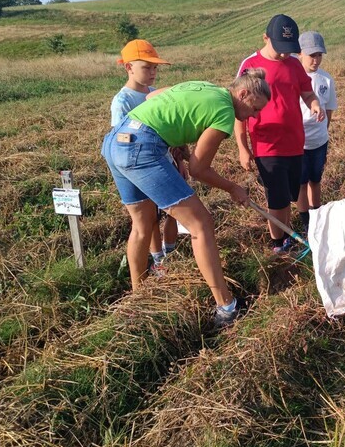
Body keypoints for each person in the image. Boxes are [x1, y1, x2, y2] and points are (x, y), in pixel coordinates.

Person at [101, 74, 271, 328]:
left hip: (116, 141)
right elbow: (198, 170)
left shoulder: (205, 86)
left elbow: (153, 97)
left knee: (142, 224)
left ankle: (139, 297)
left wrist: (176, 141)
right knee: (201, 225)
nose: (254, 116)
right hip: (142, 150)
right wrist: (233, 187)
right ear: (243, 94)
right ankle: (227, 307)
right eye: (255, 109)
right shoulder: (225, 111)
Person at [234, 15, 325, 253]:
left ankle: (286, 237)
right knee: (277, 198)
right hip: (267, 144)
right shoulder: (250, 65)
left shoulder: (295, 64)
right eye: (281, 49)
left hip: (295, 142)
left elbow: (307, 92)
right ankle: (278, 245)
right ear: (265, 38)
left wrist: (314, 103)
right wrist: (243, 148)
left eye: (290, 49)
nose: (285, 54)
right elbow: (238, 109)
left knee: (292, 195)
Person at [110, 39, 178, 276]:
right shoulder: (123, 101)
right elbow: (121, 140)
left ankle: (170, 254)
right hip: (141, 167)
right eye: (146, 67)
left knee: (172, 211)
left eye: (155, 68)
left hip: (165, 161)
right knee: (148, 220)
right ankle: (158, 259)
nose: (152, 73)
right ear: (128, 67)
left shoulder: (155, 94)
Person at [295, 30, 338, 234]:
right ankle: (305, 220)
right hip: (298, 143)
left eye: (319, 55)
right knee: (301, 182)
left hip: (319, 141)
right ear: (299, 54)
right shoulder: (294, 79)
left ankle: (316, 213)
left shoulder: (326, 79)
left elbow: (329, 108)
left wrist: (323, 130)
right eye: (312, 55)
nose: (316, 59)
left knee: (316, 179)